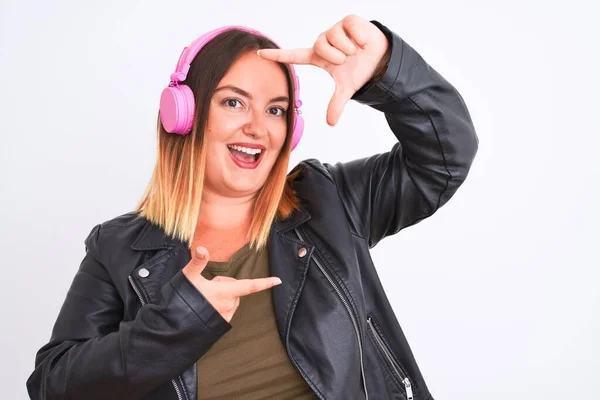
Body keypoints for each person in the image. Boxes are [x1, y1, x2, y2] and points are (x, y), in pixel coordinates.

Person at [26, 14, 478, 400]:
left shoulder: (329, 202)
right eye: (233, 102)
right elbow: (53, 384)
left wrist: (385, 68)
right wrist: (177, 320)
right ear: (184, 114)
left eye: (276, 110)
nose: (257, 127)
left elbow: (445, 157)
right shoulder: (119, 246)